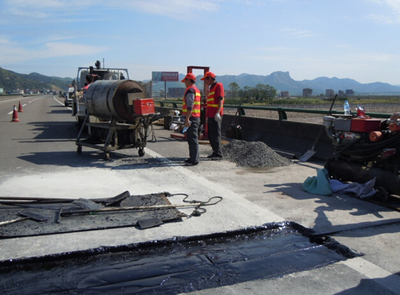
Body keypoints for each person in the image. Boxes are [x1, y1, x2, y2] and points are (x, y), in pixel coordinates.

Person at [201, 71, 224, 160]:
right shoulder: (211, 88)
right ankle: (215, 152)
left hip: (215, 114)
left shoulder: (218, 86)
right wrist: (207, 116)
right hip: (211, 115)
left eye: (205, 80)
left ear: (209, 78)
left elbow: (220, 100)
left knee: (215, 134)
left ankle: (218, 153)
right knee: (211, 135)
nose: (205, 82)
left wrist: (218, 112)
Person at [181, 73, 201, 166]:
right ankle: (192, 157)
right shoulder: (196, 90)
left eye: (185, 80)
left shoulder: (190, 90)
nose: (184, 83)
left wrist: (187, 119)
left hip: (192, 117)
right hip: (195, 117)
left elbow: (190, 106)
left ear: (188, 80)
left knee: (192, 139)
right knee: (191, 138)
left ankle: (194, 160)